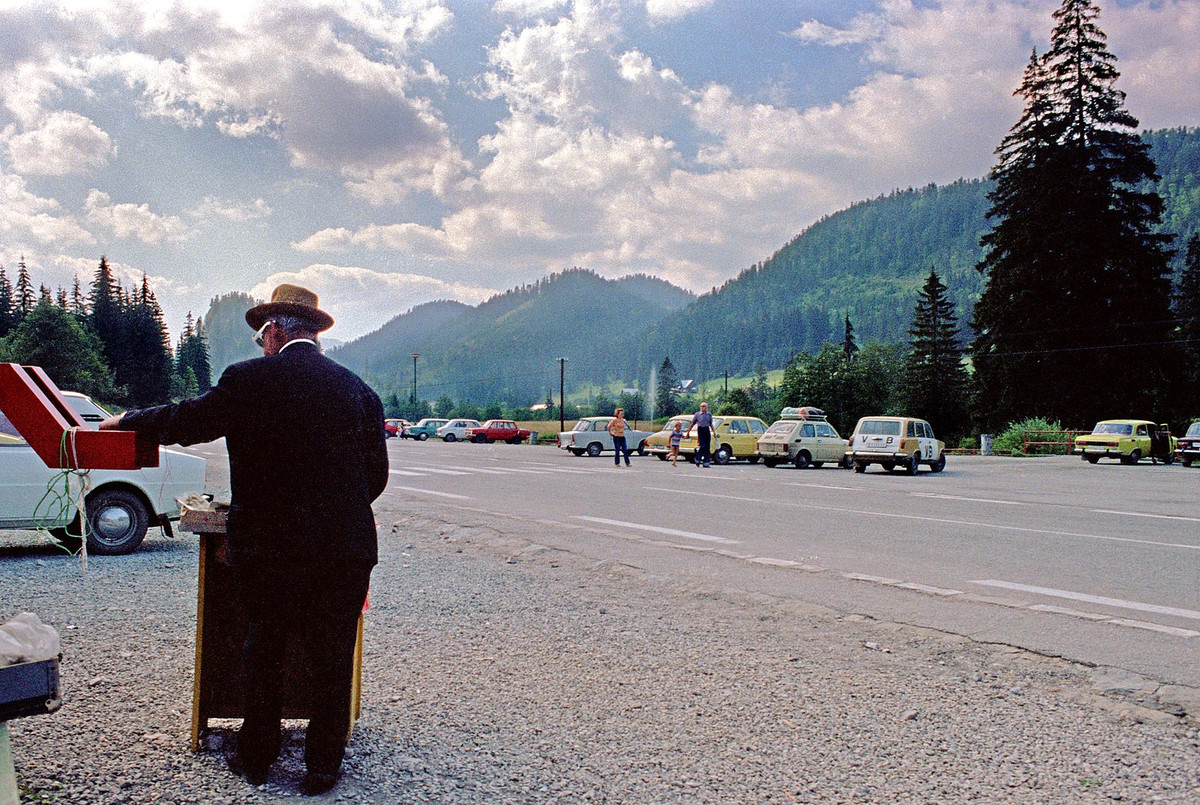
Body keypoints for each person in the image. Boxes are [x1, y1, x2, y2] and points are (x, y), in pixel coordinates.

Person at [100, 284, 388, 796]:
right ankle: (323, 765)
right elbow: (376, 478)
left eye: (261, 337)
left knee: (266, 645)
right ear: (314, 335)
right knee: (333, 653)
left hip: (270, 547)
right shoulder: (358, 390)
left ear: (274, 331)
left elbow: (185, 420)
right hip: (344, 547)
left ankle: (257, 756)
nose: (261, 345)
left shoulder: (248, 380)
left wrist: (127, 421)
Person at [685, 401, 714, 467]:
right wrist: (688, 432)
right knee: (702, 446)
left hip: (706, 429)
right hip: (700, 430)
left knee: (707, 447)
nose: (702, 408)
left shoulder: (709, 414)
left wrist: (714, 432)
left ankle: (706, 463)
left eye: (703, 406)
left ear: (706, 408)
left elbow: (710, 424)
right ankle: (697, 459)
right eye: (701, 406)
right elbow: (692, 423)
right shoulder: (697, 414)